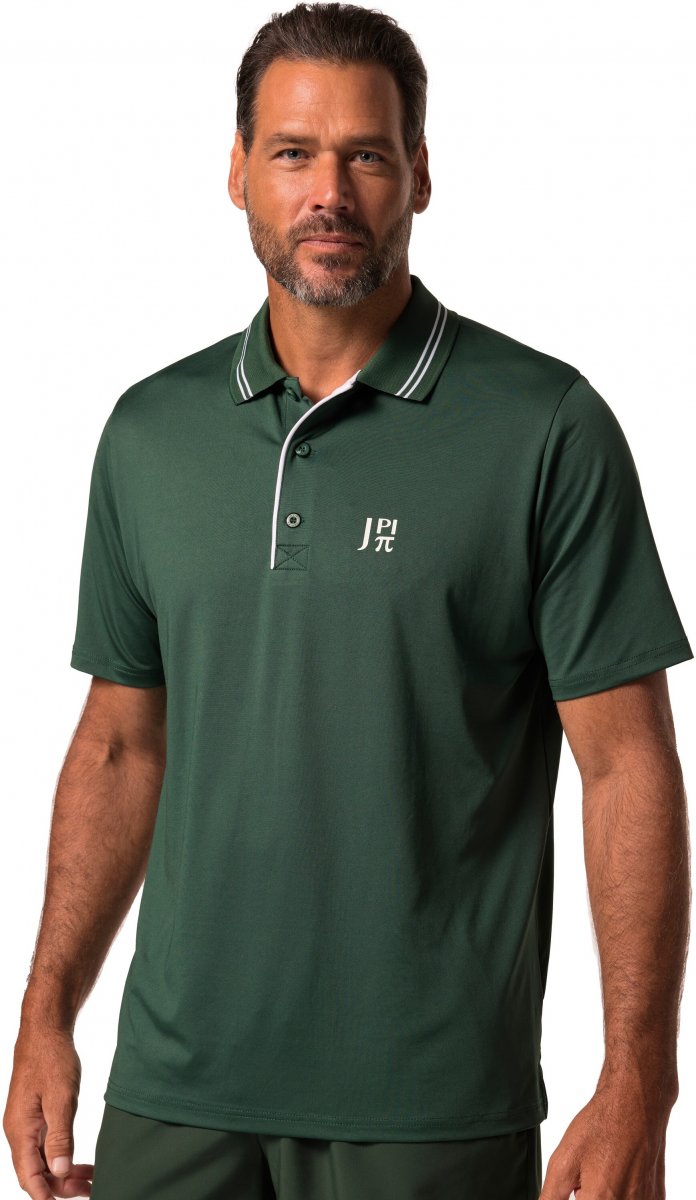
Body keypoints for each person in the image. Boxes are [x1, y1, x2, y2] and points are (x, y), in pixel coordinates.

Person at [4, 3, 693, 1198]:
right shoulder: (150, 435)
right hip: (177, 1090)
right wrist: (46, 1011)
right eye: (293, 152)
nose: (329, 193)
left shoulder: (546, 428)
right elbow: (119, 744)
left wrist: (641, 1078)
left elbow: (627, 763)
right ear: (237, 171)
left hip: (431, 1108)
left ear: (420, 173)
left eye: (366, 155)